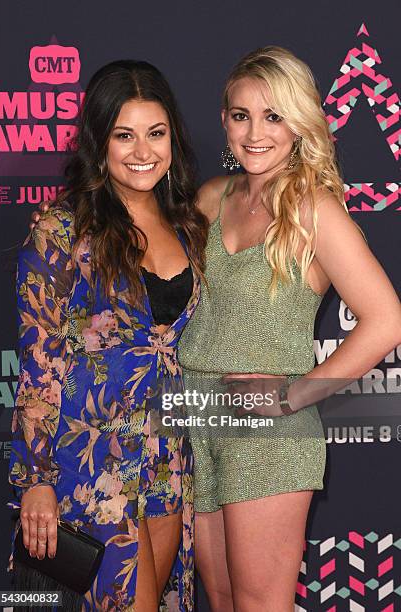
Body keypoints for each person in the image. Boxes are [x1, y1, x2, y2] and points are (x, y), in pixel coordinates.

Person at [177, 47, 401, 611]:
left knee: (259, 603)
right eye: (240, 115)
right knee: (223, 598)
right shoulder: (211, 198)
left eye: (273, 116)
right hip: (196, 418)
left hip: (266, 435)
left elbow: (386, 320)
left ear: (299, 124)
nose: (255, 133)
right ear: (224, 119)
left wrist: (294, 394)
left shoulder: (314, 211)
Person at [9, 59, 208, 611]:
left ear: (173, 137)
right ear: (99, 142)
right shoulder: (61, 230)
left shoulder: (190, 226)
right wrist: (36, 480)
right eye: (125, 135)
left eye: (156, 133)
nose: (143, 151)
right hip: (88, 458)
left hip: (168, 456)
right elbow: (39, 364)